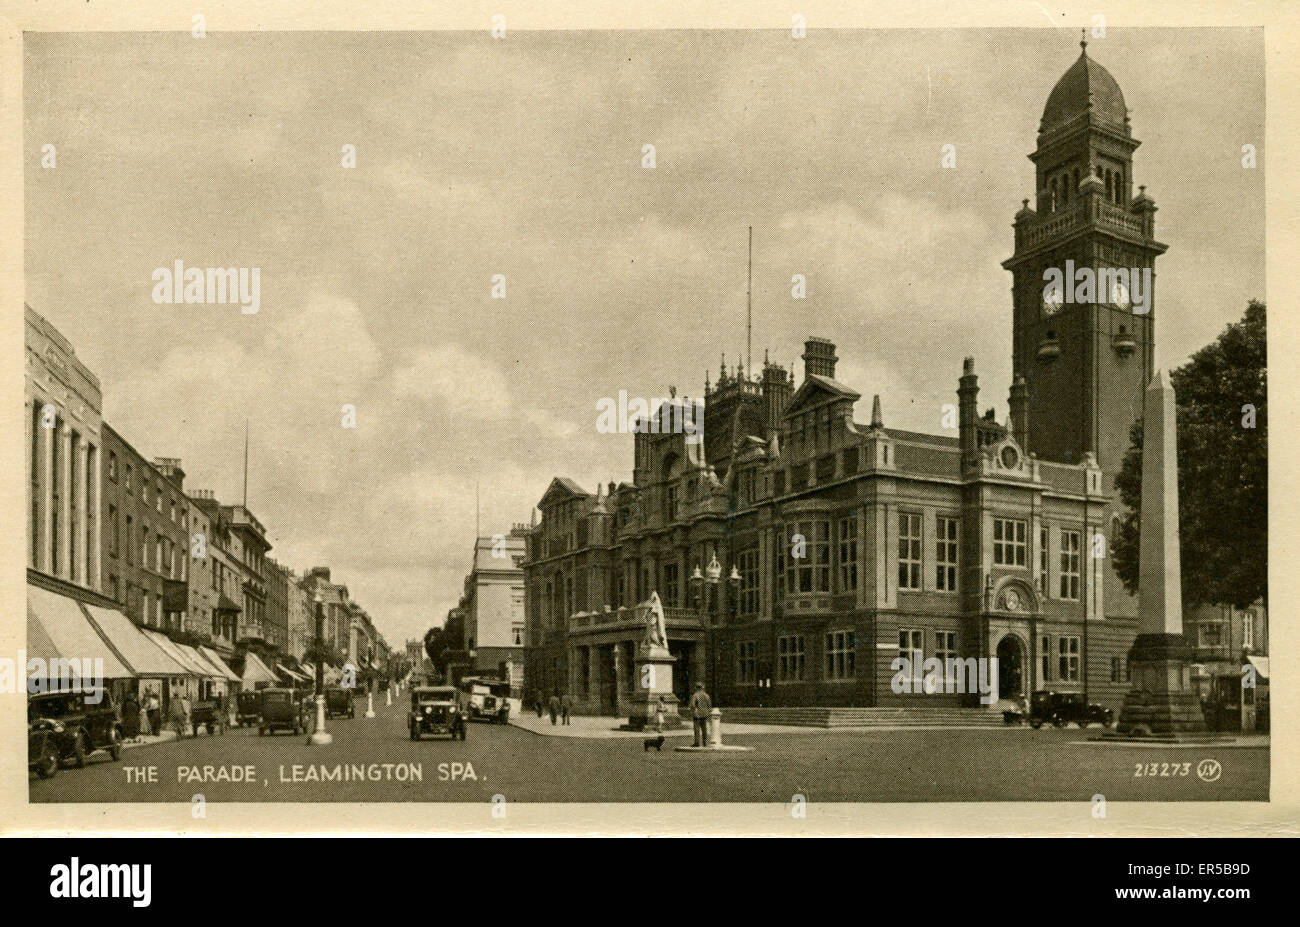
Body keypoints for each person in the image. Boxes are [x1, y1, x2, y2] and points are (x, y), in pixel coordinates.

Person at [688, 683, 712, 747]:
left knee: (697, 729)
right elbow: (709, 705)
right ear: (702, 688)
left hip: (697, 714)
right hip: (705, 714)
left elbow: (692, 705)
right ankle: (705, 742)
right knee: (704, 729)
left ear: (696, 688)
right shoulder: (706, 695)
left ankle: (697, 742)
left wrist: (692, 711)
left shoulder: (695, 695)